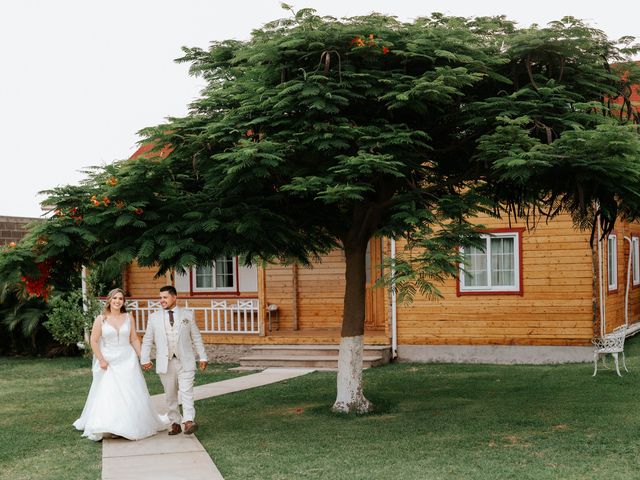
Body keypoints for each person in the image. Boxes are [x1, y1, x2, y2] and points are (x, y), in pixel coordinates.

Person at [74, 288, 169, 441]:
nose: (118, 301)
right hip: (109, 360)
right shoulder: (101, 319)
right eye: (115, 298)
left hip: (127, 359)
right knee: (110, 392)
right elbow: (93, 340)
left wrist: (142, 357)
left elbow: (134, 339)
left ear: (123, 302)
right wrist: (101, 360)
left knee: (131, 392)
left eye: (120, 299)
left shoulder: (129, 317)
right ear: (109, 300)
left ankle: (129, 424)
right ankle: (109, 425)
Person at [141, 285, 208, 435]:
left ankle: (188, 421)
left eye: (165, 297)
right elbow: (147, 339)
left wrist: (203, 356)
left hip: (186, 360)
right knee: (170, 394)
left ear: (174, 297)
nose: (161, 300)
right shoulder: (154, 317)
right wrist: (144, 358)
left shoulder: (187, 315)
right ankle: (175, 421)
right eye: (160, 298)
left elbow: (196, 337)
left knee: (186, 392)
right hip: (166, 362)